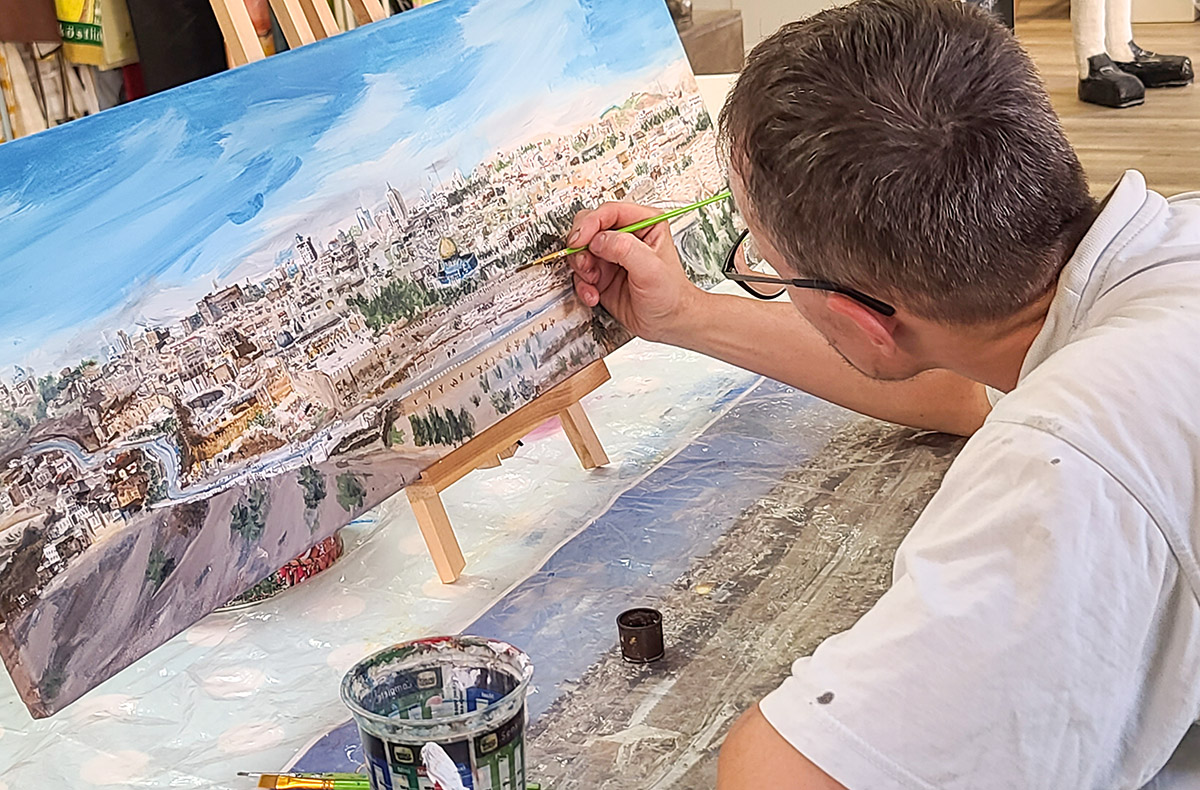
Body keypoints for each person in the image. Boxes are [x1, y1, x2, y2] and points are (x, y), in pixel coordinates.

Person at [566, 0, 1200, 787]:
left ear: (863, 321)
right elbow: (963, 389)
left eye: (765, 264)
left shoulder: (1069, 465)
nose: (764, 272)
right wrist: (687, 315)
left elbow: (787, 776)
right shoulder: (1161, 258)